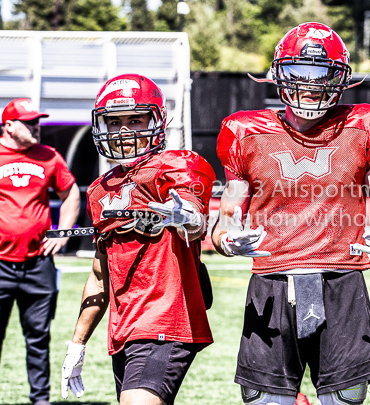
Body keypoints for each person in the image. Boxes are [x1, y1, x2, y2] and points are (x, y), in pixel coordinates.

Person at [212, 22, 370, 405]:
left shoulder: (364, 124)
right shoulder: (245, 131)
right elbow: (227, 214)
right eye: (301, 74)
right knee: (265, 400)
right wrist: (228, 241)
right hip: (272, 280)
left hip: (343, 279)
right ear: (280, 75)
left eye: (322, 76)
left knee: (346, 399)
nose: (311, 86)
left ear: (340, 79)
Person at [60, 74, 215, 405]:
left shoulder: (173, 166)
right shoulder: (101, 190)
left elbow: (194, 219)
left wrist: (187, 216)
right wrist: (78, 343)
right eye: (114, 122)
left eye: (135, 119)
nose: (124, 131)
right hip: (123, 329)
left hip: (165, 319)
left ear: (156, 120)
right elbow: (100, 275)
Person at [0, 98, 80, 405]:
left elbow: (70, 191)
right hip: (1, 265)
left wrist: (63, 231)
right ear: (8, 126)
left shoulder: (48, 156)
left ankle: (40, 400)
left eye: (37, 121)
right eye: (29, 122)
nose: (36, 126)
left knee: (38, 338)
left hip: (38, 265)